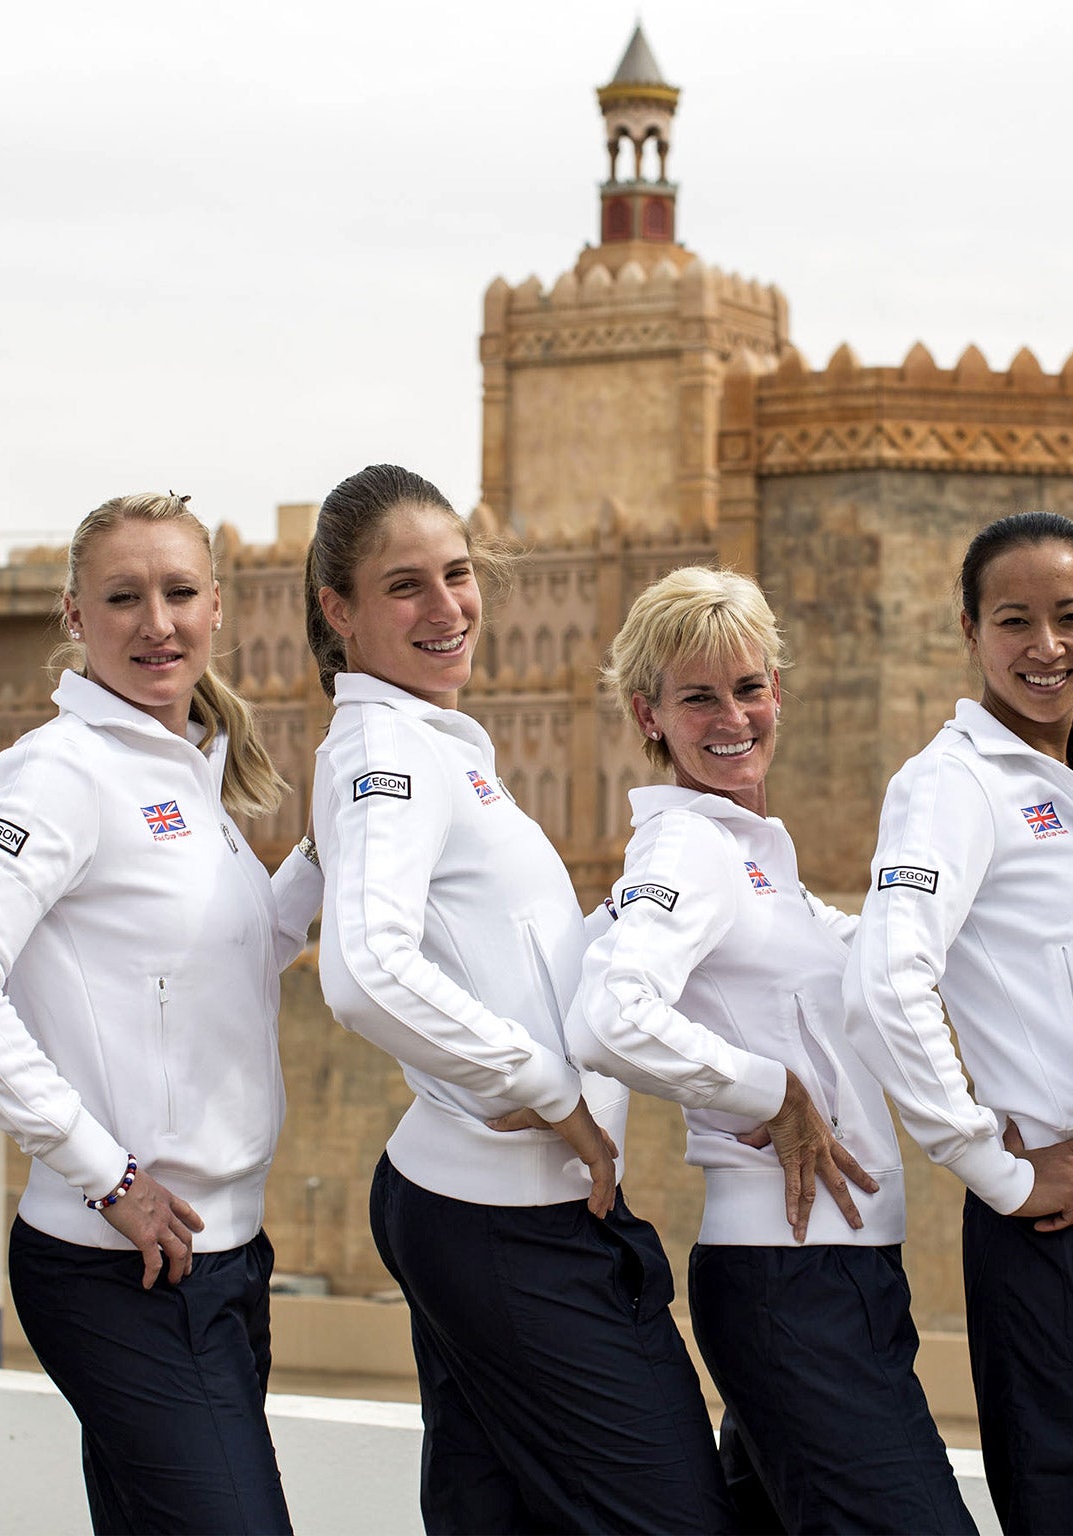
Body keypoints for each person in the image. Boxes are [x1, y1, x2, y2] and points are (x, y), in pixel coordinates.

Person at [304, 464, 735, 1535]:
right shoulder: (389, 751)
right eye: (405, 586)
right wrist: (550, 1091)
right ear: (336, 609)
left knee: (493, 1513)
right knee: (672, 1512)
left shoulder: (432, 743)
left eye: (456, 575)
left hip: (494, 1204)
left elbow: (498, 952)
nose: (446, 608)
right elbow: (362, 969)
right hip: (503, 1216)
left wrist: (634, 920)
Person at [0, 492, 319, 1536]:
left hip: (221, 1253)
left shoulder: (187, 772)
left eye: (179, 593)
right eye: (122, 597)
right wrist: (106, 1174)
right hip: (119, 1261)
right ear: (73, 615)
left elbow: (235, 958)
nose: (156, 622)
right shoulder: (56, 773)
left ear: (217, 607)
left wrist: (332, 851)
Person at [566, 565, 977, 1535]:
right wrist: (769, 1092)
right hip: (791, 1285)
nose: (731, 717)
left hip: (840, 1277)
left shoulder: (758, 859)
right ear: (648, 715)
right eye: (696, 697)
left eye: (748, 688)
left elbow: (868, 954)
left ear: (777, 692)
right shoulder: (689, 851)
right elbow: (607, 1014)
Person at [844, 511, 1073, 1535]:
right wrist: (989, 1162)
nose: (1043, 647)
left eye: (1068, 617)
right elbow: (883, 979)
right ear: (968, 629)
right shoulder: (952, 785)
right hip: (1071, 1235)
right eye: (1014, 620)